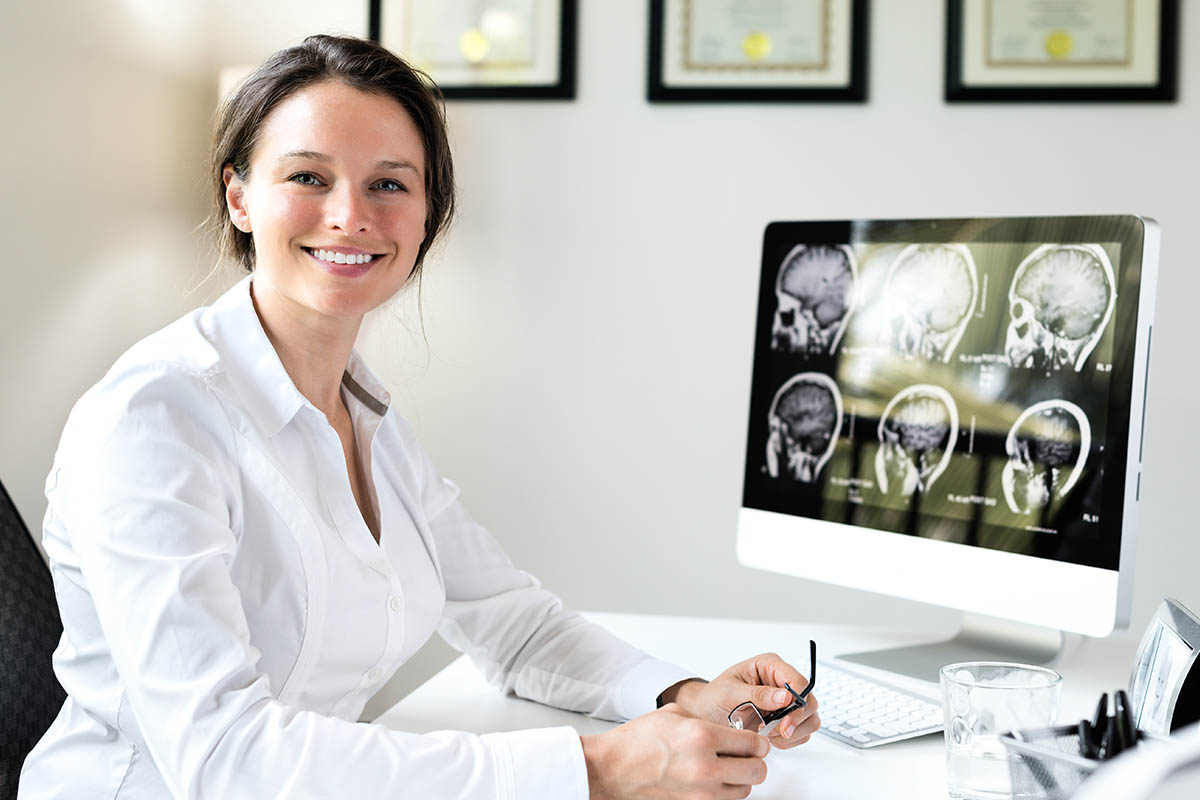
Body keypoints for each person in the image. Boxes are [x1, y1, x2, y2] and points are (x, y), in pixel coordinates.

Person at [18, 34, 819, 799]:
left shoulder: (365, 415)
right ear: (239, 196)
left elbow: (516, 625)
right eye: (307, 177)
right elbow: (226, 757)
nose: (350, 215)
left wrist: (682, 695)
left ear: (426, 216)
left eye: (390, 184)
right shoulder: (154, 419)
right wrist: (595, 771)